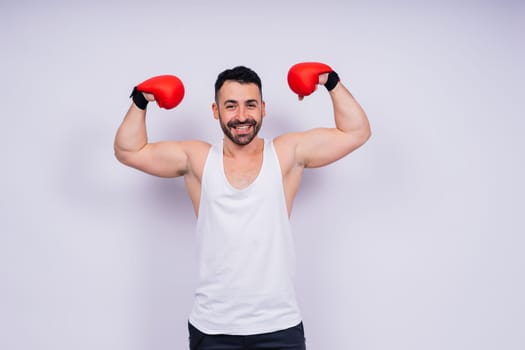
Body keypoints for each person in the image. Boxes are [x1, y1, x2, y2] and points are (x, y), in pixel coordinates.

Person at [114, 63, 371, 350]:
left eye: (250, 105)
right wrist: (139, 100)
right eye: (231, 106)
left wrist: (330, 81)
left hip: (279, 326)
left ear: (263, 108)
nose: (242, 116)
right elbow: (129, 151)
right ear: (216, 111)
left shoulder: (287, 153)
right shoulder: (197, 159)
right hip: (213, 327)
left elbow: (356, 132)